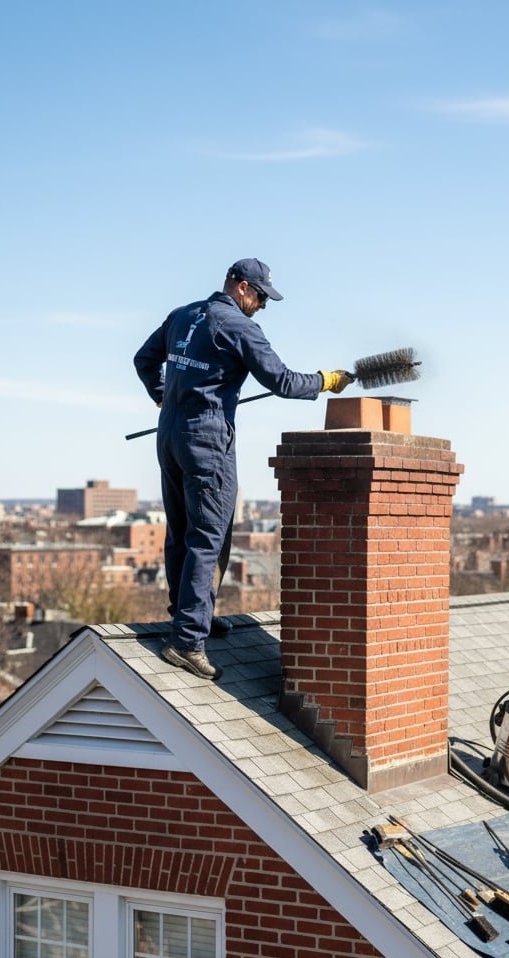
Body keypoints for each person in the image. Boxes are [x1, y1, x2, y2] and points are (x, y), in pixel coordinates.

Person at [134, 258, 352, 680]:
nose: (263, 306)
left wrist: (163, 396)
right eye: (261, 297)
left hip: (170, 435)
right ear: (242, 287)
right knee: (208, 538)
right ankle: (187, 641)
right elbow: (283, 381)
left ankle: (190, 615)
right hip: (207, 441)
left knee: (181, 531)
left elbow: (144, 359)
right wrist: (326, 381)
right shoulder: (239, 327)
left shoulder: (183, 316)